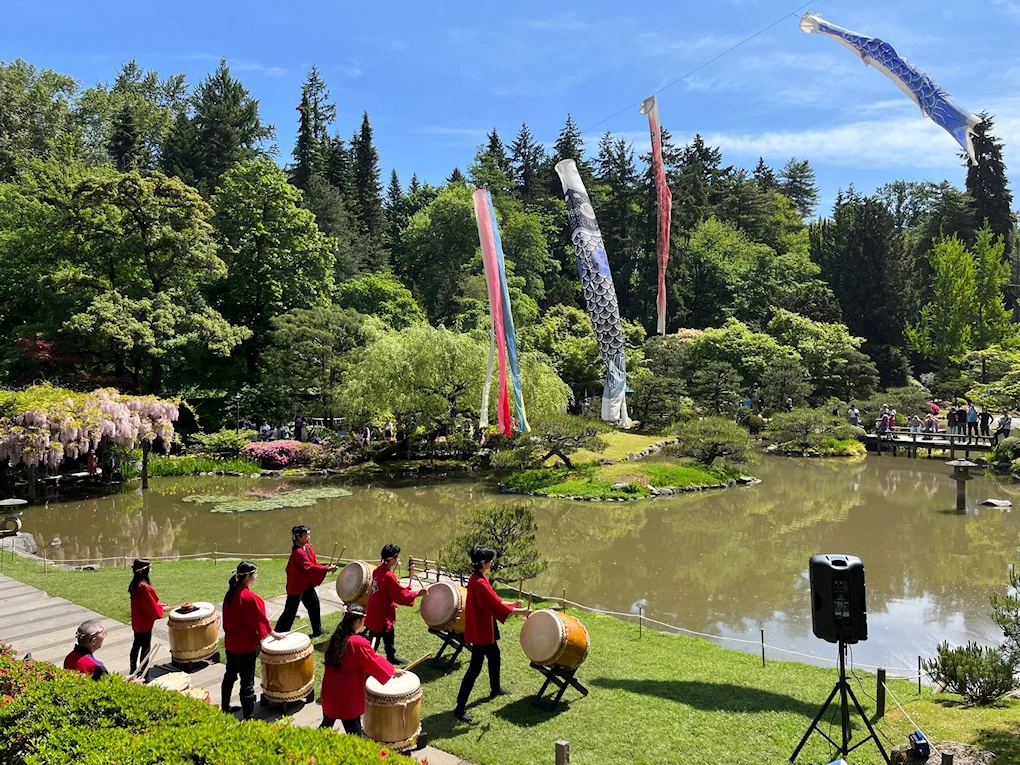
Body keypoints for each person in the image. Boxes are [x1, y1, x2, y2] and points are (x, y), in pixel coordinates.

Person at [453, 546, 530, 724]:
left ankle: (495, 689)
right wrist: (522, 610)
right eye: (490, 560)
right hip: (481, 630)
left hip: (485, 626)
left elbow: (493, 600)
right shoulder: (478, 582)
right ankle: (459, 707)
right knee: (474, 669)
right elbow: (496, 606)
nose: (492, 562)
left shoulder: (478, 578)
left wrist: (512, 602)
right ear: (483, 563)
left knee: (494, 655)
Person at [320, 605, 405, 734]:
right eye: (362, 621)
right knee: (355, 737)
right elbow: (373, 661)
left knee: (325, 726)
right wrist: (393, 670)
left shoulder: (335, 639)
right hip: (346, 699)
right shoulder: (357, 643)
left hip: (329, 694)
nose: (363, 624)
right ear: (356, 622)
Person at [222, 561, 284, 719]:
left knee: (230, 675)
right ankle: (249, 718)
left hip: (230, 644)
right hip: (244, 646)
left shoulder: (230, 594)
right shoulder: (249, 597)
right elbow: (259, 620)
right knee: (247, 681)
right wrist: (272, 633)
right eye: (255, 574)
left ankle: (224, 707)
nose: (256, 577)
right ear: (247, 577)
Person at [365, 543, 426, 665]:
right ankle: (366, 663)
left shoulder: (378, 570)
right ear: (391, 558)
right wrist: (418, 593)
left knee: (388, 634)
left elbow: (391, 589)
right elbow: (399, 595)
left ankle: (390, 656)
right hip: (381, 612)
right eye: (396, 557)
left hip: (375, 608)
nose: (397, 559)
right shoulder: (388, 575)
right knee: (375, 639)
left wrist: (406, 588)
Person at [276, 525, 337, 636]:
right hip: (297, 586)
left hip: (306, 584)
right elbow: (308, 567)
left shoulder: (308, 547)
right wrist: (327, 569)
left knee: (314, 606)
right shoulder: (298, 553)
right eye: (306, 535)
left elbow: (314, 563)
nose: (309, 536)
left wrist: (325, 566)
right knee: (290, 612)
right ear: (298, 537)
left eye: (309, 534)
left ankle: (317, 630)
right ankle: (278, 634)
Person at [128, 558, 168, 677]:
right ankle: (144, 674)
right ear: (145, 570)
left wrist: (159, 606)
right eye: (150, 568)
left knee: (136, 644)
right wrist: (160, 609)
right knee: (146, 646)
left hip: (137, 620)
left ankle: (133, 668)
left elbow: (144, 603)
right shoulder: (143, 587)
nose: (151, 570)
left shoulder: (134, 584)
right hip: (144, 621)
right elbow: (150, 607)